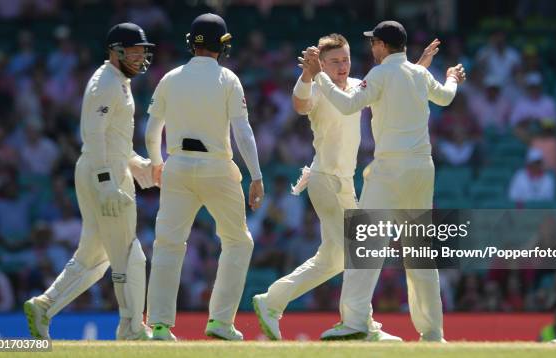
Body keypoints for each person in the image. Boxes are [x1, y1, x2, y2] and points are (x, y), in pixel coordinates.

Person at [253, 33, 440, 341]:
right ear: (322, 64)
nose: (342, 66)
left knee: (333, 259)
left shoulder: (357, 85)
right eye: (334, 62)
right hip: (324, 179)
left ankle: (272, 301)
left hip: (345, 184)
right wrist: (307, 73)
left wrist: (418, 66)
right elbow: (300, 105)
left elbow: (396, 85)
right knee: (362, 249)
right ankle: (361, 325)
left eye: (346, 60)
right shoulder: (318, 88)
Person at [301, 20, 465, 342]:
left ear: (381, 45)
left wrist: (319, 74)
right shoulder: (417, 74)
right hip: (422, 169)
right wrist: (449, 76)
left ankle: (355, 321)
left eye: (373, 43)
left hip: (391, 169)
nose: (370, 49)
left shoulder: (378, 75)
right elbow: (445, 97)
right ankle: (433, 333)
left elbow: (348, 105)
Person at [23, 23, 156, 340]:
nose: (139, 59)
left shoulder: (118, 81)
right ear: (115, 51)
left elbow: (113, 139)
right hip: (103, 172)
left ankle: (45, 305)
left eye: (142, 53)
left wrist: (138, 165)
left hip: (104, 168)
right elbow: (92, 134)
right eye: (133, 52)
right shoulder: (105, 83)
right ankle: (132, 327)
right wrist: (107, 180)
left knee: (95, 256)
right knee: (128, 252)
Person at [144, 13, 264, 341]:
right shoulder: (228, 79)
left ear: (191, 43)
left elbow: (153, 130)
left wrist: (157, 162)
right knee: (238, 241)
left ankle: (158, 325)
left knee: (168, 244)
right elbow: (242, 130)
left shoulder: (170, 78)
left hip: (177, 165)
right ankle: (220, 322)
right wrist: (256, 175)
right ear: (222, 46)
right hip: (217, 168)